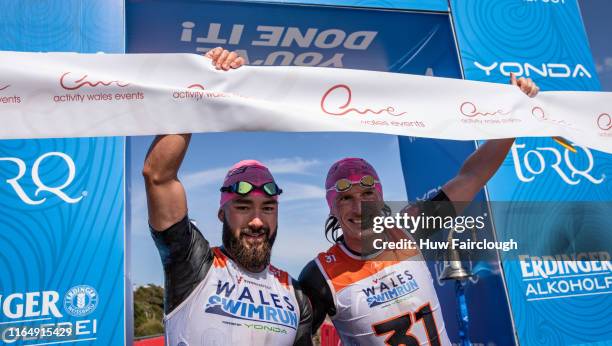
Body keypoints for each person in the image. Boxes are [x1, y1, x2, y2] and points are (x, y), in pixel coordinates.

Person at [298, 75, 539, 345]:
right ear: (332, 209)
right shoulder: (320, 276)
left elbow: (471, 177)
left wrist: (514, 118)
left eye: (368, 194)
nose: (360, 207)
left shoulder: (408, 230)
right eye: (345, 198)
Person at [143, 47, 313, 346]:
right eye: (244, 207)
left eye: (268, 208)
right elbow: (158, 177)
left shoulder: (296, 295)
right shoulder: (193, 264)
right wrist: (202, 86)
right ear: (222, 213)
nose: (257, 221)